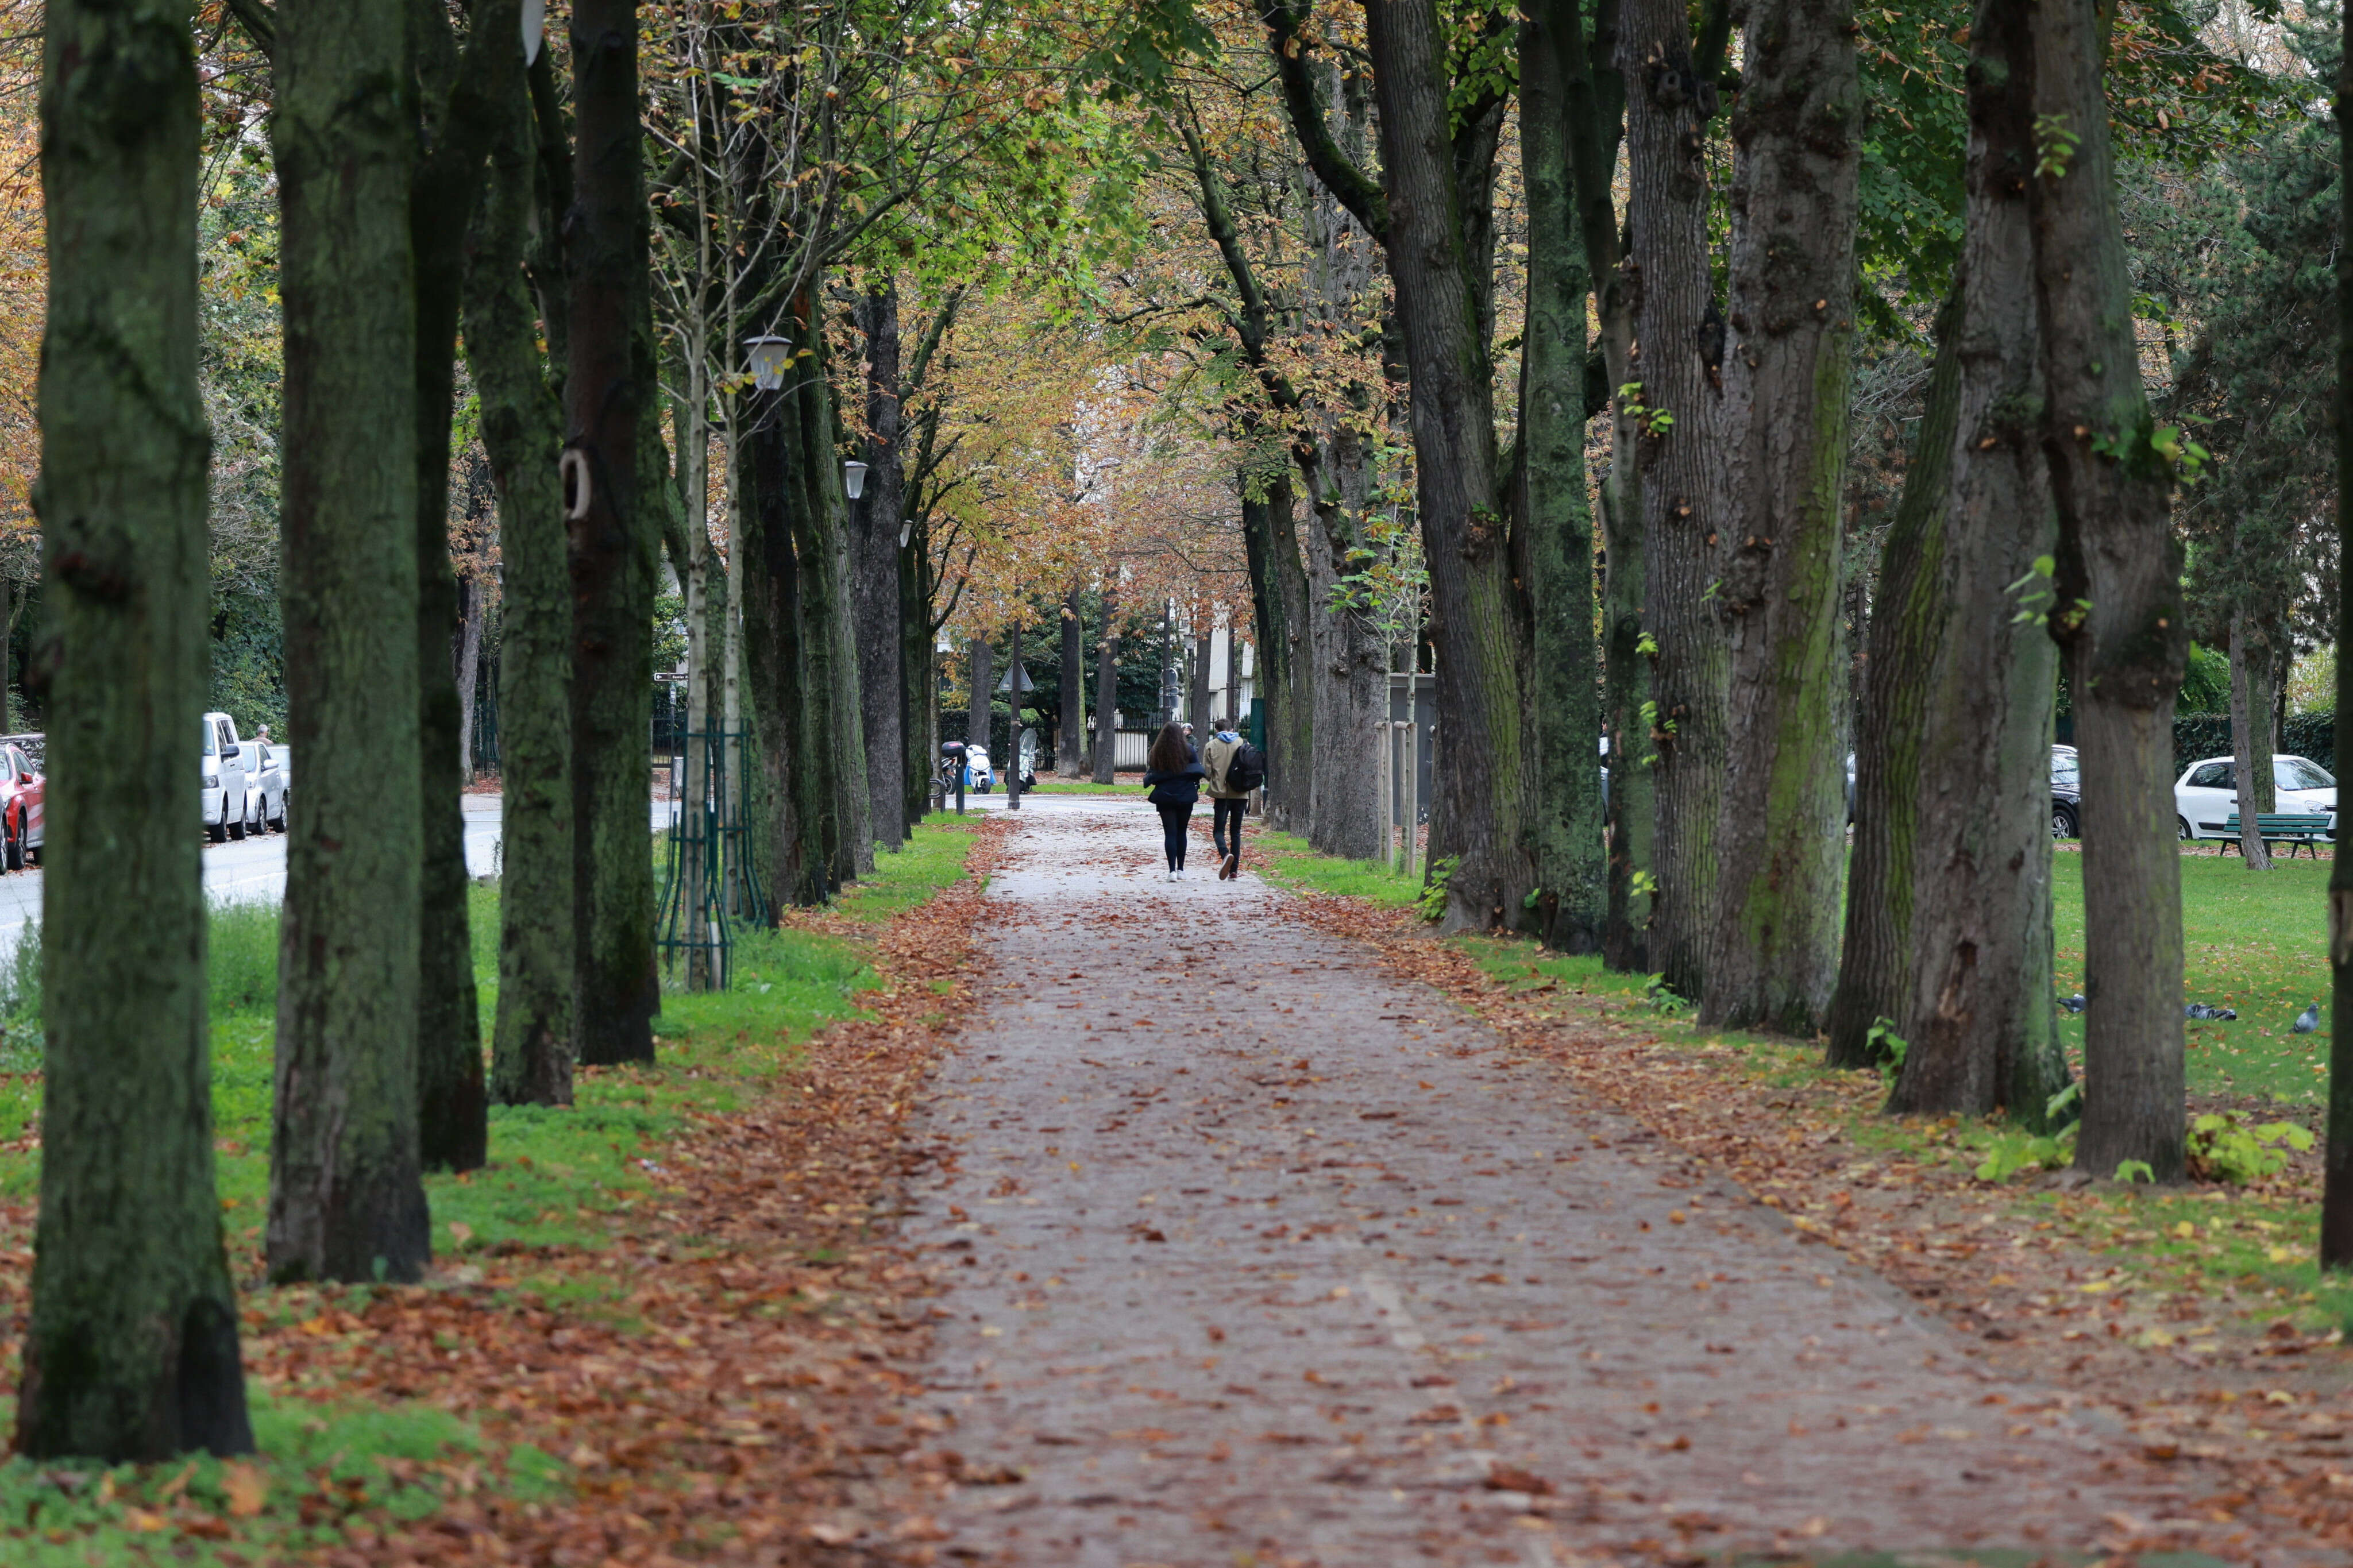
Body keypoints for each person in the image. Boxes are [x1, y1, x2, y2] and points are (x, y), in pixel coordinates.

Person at [1141, 722, 1205, 880]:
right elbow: (1197, 771)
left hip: (1165, 796)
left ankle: (1171, 871)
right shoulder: (1188, 750)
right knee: (1182, 832)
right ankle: (1181, 868)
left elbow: (1152, 771)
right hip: (1185, 795)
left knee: (1169, 833)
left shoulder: (1157, 751)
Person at [1201, 720, 1248, 880]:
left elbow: (1207, 772)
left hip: (1221, 794)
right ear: (1232, 729)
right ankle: (1234, 871)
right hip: (1241, 794)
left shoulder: (1211, 745)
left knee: (1219, 831)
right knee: (1236, 832)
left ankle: (1225, 854)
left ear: (1216, 730)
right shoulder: (1242, 742)